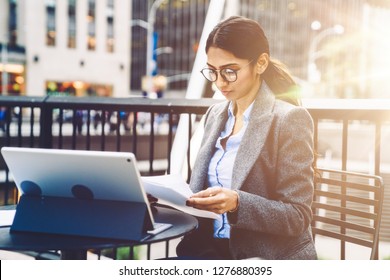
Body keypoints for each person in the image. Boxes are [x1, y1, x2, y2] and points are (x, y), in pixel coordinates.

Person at [176, 16, 317, 260]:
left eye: (230, 72)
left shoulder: (289, 120)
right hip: (207, 250)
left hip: (263, 256)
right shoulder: (216, 114)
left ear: (260, 63)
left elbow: (297, 216)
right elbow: (198, 190)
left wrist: (238, 203)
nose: (219, 82)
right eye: (213, 71)